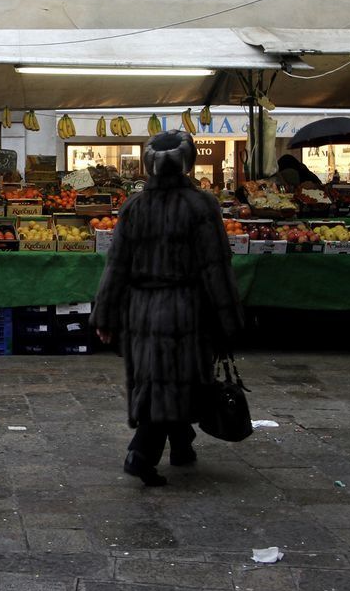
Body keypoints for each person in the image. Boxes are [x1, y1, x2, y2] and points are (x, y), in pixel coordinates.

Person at [90, 131, 244, 487]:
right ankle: (141, 453)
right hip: (185, 309)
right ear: (188, 163)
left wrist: (106, 315)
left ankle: (182, 445)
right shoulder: (201, 206)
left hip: (141, 309)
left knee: (159, 377)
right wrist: (229, 318)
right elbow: (215, 267)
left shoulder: (134, 206)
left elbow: (117, 266)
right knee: (173, 379)